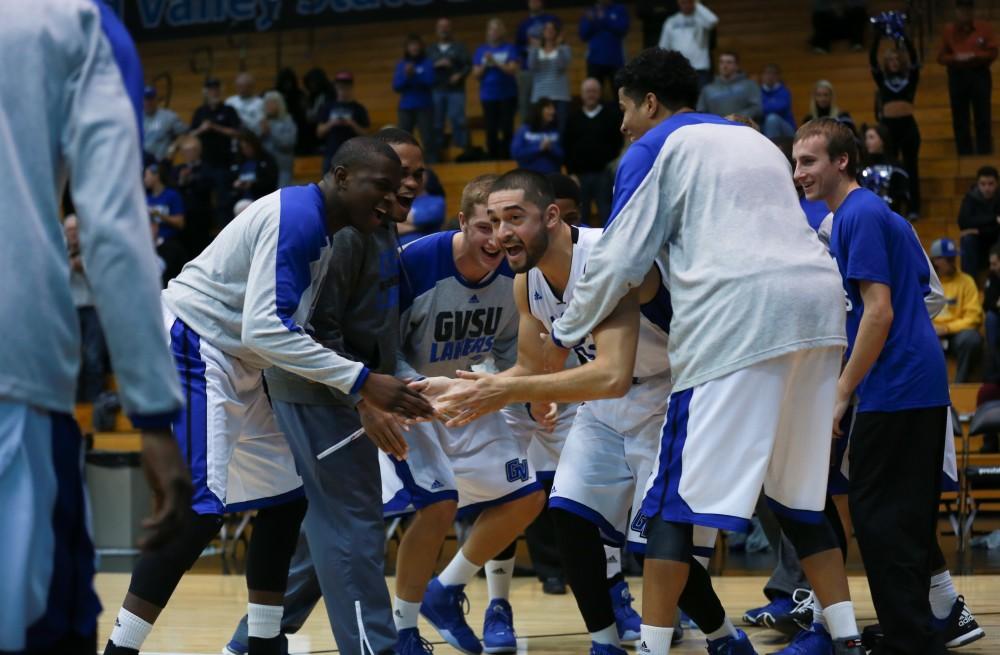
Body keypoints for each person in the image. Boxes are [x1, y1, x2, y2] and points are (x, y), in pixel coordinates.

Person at [544, 48, 865, 655]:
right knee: (800, 494)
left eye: (623, 110)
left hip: (738, 320)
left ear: (649, 102)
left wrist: (568, 330)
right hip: (819, 311)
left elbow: (619, 256)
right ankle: (846, 639)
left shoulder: (654, 147)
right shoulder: (757, 141)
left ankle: (656, 647)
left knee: (672, 501)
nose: (621, 125)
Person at [102, 137, 435, 655]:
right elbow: (264, 329)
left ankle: (263, 643)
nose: (392, 200)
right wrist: (362, 382)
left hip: (241, 359)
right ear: (342, 176)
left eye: (399, 189)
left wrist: (364, 387)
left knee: (287, 499)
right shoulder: (300, 217)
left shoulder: (329, 229)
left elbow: (279, 334)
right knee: (197, 511)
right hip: (194, 341)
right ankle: (121, 647)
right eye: (381, 186)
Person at [435, 170, 739, 655]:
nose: (501, 234)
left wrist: (508, 391)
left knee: (655, 548)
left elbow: (610, 373)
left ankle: (724, 638)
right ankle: (603, 643)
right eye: (493, 222)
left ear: (552, 216)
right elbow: (535, 368)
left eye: (515, 218)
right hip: (605, 404)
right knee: (569, 516)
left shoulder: (608, 258)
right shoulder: (526, 282)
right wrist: (461, 388)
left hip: (671, 395)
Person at [1, 2, 192, 652]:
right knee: (39, 629)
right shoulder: (78, 23)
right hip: (13, 367)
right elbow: (111, 225)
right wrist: (155, 415)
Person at [222, 128, 431, 655]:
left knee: (334, 528)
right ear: (353, 178)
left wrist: (400, 380)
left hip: (345, 390)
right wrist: (363, 398)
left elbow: (378, 330)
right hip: (320, 395)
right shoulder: (346, 235)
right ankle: (374, 648)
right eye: (392, 176)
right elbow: (313, 327)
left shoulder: (379, 228)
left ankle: (249, 643)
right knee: (354, 529)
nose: (403, 187)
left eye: (415, 174)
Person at [793, 117, 951, 655]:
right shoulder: (873, 213)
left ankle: (909, 638)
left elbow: (877, 314)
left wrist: (841, 392)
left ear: (841, 161)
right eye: (795, 162)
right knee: (901, 514)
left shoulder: (855, 215)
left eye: (809, 161)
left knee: (880, 515)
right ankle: (915, 631)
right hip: (915, 378)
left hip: (897, 382)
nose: (799, 173)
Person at [381, 175, 548, 655]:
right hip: (411, 401)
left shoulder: (514, 272)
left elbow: (502, 347)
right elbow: (382, 343)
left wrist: (504, 389)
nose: (495, 238)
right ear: (462, 222)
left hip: (468, 394)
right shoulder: (415, 262)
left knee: (527, 498)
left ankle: (446, 589)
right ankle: (403, 630)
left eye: (501, 225)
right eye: (483, 227)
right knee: (437, 508)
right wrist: (419, 391)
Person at [871, 24, 922, 218]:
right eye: (890, 59)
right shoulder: (882, 80)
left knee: (911, 168)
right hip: (888, 129)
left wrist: (905, 37)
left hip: (908, 127)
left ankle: (914, 207)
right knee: (890, 168)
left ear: (902, 61)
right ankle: (893, 208)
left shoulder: (910, 79)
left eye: (897, 59)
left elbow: (915, 60)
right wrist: (877, 37)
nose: (894, 62)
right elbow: (872, 62)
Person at [937, 0, 997, 156]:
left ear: (972, 11)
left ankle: (984, 152)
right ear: (956, 11)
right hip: (957, 75)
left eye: (967, 10)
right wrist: (956, 58)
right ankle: (964, 154)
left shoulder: (984, 28)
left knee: (982, 114)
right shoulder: (949, 30)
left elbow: (993, 52)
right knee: (960, 116)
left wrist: (974, 55)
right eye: (961, 10)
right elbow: (941, 57)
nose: (964, 13)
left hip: (979, 73)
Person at [565, 78, 623, 226]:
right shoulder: (573, 118)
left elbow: (618, 142)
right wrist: (570, 172)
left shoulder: (611, 116)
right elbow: (567, 146)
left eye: (594, 91)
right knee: (581, 215)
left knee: (606, 213)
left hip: (604, 175)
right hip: (579, 176)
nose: (591, 95)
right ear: (582, 94)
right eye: (587, 91)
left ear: (600, 93)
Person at [929, 238, 984, 383]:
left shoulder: (966, 281)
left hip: (955, 335)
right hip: (929, 334)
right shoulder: (925, 283)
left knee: (971, 338)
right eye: (948, 258)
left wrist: (947, 328)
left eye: (953, 257)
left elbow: (974, 317)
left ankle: (960, 386)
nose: (953, 261)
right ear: (935, 260)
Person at [190, 77, 242, 229]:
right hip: (204, 163)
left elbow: (237, 132)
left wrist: (215, 127)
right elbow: (191, 135)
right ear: (206, 92)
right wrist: (202, 129)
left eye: (216, 89)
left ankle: (224, 230)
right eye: (211, 89)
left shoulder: (228, 110)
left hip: (224, 162)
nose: (214, 92)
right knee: (201, 200)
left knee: (223, 202)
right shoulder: (200, 112)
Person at [474, 18, 520, 160]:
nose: (493, 32)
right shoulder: (481, 50)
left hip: (508, 95)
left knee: (507, 128)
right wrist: (485, 64)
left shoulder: (509, 48)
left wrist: (494, 61)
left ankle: (507, 158)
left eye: (496, 29)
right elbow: (476, 74)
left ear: (502, 31)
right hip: (488, 96)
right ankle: (492, 158)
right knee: (491, 129)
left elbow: (512, 69)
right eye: (491, 29)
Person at [428, 18, 471, 161]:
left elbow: (468, 66)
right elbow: (425, 69)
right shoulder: (430, 49)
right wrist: (435, 65)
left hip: (456, 89)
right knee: (437, 122)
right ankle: (439, 153)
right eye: (441, 26)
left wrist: (459, 75)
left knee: (458, 120)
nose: (444, 29)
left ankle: (462, 151)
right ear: (436, 29)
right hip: (436, 89)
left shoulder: (460, 47)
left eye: (446, 26)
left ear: (451, 29)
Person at [516, 0, 562, 122]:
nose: (534, 2)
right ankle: (527, 132)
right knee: (526, 104)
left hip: (547, 69)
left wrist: (541, 45)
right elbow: (518, 46)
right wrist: (530, 48)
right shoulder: (523, 24)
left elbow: (560, 39)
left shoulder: (551, 19)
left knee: (548, 104)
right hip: (528, 69)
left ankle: (550, 132)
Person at [657, 0, 719, 89]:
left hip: (700, 69)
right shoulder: (671, 21)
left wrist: (697, 5)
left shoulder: (702, 19)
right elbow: (663, 46)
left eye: (689, 2)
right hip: (678, 70)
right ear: (678, 3)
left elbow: (713, 21)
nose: (686, 5)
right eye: (683, 2)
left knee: (701, 101)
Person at [317, 71, 370, 173]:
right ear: (336, 87)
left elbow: (366, 134)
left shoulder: (359, 108)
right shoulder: (327, 107)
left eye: (346, 87)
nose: (343, 90)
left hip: (353, 155)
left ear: (351, 88)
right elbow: (319, 133)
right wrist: (331, 123)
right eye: (340, 87)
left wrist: (352, 124)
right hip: (331, 153)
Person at [145, 160, 188, 284]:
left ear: (156, 176)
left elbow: (180, 222)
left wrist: (160, 215)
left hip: (169, 243)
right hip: (149, 244)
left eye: (146, 175)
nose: (144, 179)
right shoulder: (145, 198)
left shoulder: (172, 195)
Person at [171, 136, 215, 255]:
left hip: (200, 215)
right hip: (183, 215)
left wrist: (190, 180)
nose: (187, 155)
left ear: (197, 151)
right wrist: (181, 180)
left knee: (201, 248)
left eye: (190, 151)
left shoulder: (206, 167)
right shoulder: (177, 169)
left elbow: (208, 185)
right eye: (184, 152)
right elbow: (172, 187)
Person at [393, 35, 436, 156]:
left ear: (421, 47)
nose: (414, 48)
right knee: (403, 139)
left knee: (428, 138)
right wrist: (407, 75)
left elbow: (431, 81)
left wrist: (415, 75)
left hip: (424, 106)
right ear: (407, 48)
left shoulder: (427, 63)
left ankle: (432, 164)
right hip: (406, 107)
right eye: (411, 45)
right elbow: (396, 86)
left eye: (416, 45)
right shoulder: (402, 64)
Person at [527, 21, 572, 134]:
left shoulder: (564, 49)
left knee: (561, 130)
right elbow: (531, 66)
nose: (549, 31)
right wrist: (535, 49)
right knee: (539, 128)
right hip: (540, 96)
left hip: (560, 96)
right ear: (542, 32)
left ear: (556, 32)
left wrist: (558, 47)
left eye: (552, 29)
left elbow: (562, 66)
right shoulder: (535, 50)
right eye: (547, 29)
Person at [579, 1, 631, 95]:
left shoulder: (619, 9)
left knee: (619, 94)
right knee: (593, 94)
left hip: (616, 61)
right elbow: (583, 35)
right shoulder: (591, 11)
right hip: (594, 61)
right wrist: (591, 21)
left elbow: (623, 29)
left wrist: (603, 18)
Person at [859, 123, 911, 217]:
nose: (867, 142)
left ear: (882, 140)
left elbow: (903, 198)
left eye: (871, 137)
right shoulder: (860, 167)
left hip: (891, 217)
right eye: (866, 138)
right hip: (865, 217)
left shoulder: (896, 168)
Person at [958, 165, 1000, 278]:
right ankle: (969, 283)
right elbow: (963, 222)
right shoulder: (970, 198)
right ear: (977, 184)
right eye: (983, 184)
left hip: (996, 241)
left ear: (997, 184)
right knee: (967, 240)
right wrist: (994, 219)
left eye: (991, 184)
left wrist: (978, 229)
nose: (987, 188)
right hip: (979, 244)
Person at [696, 51, 762, 122]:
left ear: (737, 66)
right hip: (715, 127)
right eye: (721, 62)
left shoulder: (749, 85)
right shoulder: (707, 89)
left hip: (742, 127)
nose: (724, 66)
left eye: (729, 62)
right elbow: (700, 112)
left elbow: (757, 108)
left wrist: (738, 117)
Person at [512, 99, 564, 174]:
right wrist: (539, 148)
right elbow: (516, 153)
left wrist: (551, 148)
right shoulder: (524, 130)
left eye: (553, 108)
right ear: (539, 110)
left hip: (552, 177)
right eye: (549, 108)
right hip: (530, 177)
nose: (553, 111)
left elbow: (562, 155)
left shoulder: (555, 131)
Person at [259, 91, 298, 188]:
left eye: (271, 103)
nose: (268, 106)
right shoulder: (262, 121)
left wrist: (270, 132)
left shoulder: (288, 121)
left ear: (279, 105)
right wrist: (261, 134)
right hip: (265, 169)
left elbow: (288, 143)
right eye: (266, 103)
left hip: (282, 168)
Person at [142, 84, 188, 163]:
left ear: (156, 100)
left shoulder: (169, 117)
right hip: (140, 163)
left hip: (161, 163)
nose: (148, 102)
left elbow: (185, 133)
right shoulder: (136, 118)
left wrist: (173, 147)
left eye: (151, 99)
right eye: (145, 99)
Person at [232, 129, 279, 203]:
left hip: (261, 199)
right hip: (242, 198)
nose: (245, 150)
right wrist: (236, 185)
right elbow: (232, 179)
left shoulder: (267, 159)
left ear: (254, 145)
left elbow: (271, 181)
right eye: (243, 148)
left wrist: (253, 185)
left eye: (247, 147)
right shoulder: (239, 161)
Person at [274, 67, 308, 154]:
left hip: (298, 125)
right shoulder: (275, 94)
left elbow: (303, 113)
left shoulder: (299, 94)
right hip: (280, 125)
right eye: (285, 82)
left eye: (289, 82)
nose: (287, 85)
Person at [303, 67, 335, 154]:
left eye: (313, 83)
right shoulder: (313, 96)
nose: (312, 85)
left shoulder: (329, 93)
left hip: (326, 126)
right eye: (310, 83)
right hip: (314, 127)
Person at [760, 64, 796, 139]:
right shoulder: (758, 91)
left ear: (778, 76)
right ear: (762, 75)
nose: (770, 76)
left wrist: (762, 108)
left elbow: (780, 107)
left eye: (773, 73)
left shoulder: (784, 91)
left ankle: (771, 150)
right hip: (764, 128)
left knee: (772, 119)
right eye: (767, 73)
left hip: (786, 129)